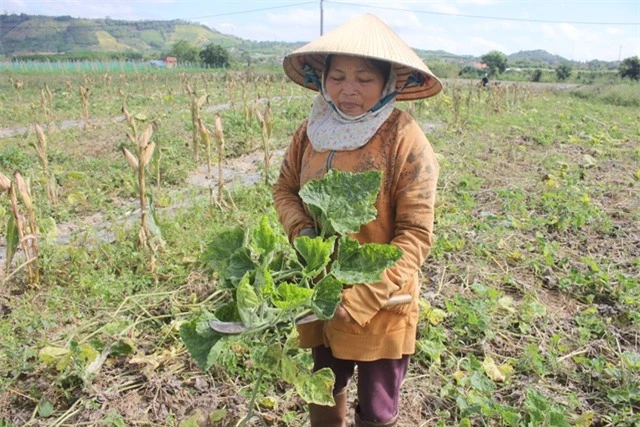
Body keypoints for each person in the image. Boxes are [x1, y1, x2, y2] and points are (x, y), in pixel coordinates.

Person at [274, 14, 441, 427]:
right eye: (338, 77)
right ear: (323, 78)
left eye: (364, 79)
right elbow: (285, 189)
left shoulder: (405, 139)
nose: (349, 89)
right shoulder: (311, 130)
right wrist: (304, 232)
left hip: (384, 297)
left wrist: (366, 294)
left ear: (388, 84)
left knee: (378, 406)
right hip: (321, 289)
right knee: (324, 386)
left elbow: (416, 235)